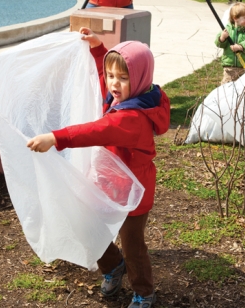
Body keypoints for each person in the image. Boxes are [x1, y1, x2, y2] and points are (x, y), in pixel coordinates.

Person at [27, 28, 169, 308]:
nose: (114, 84)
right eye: (112, 76)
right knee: (89, 224)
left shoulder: (132, 118)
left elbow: (96, 130)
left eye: (123, 78)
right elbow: (107, 77)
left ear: (139, 78)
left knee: (133, 245)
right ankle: (113, 266)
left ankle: (144, 291)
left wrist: (56, 137)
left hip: (134, 192)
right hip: (110, 180)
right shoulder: (132, 95)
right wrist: (98, 48)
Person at [215, 2, 245, 84]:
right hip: (230, 67)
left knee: (244, 87)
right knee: (227, 87)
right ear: (235, 18)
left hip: (244, 66)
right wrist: (222, 38)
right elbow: (218, 44)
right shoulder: (227, 29)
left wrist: (241, 46)